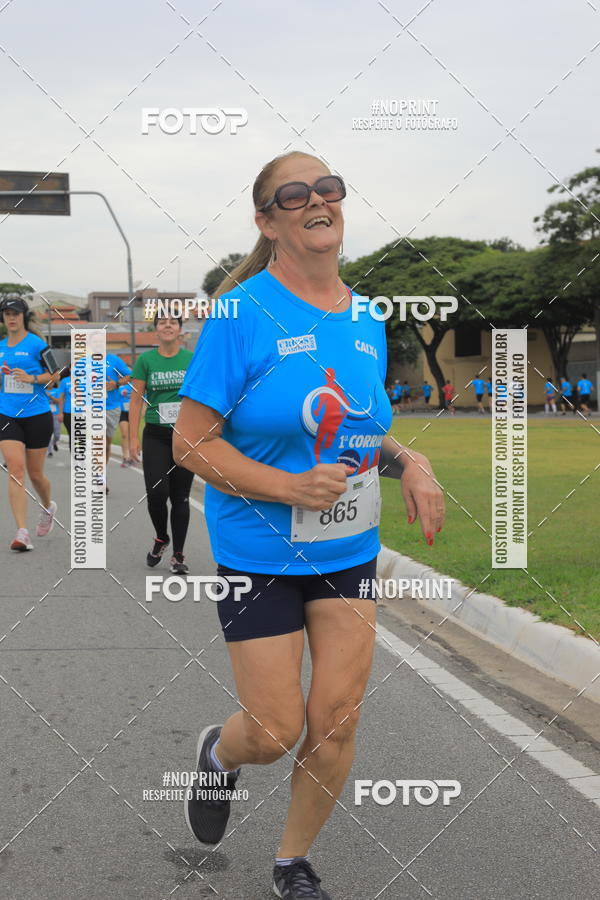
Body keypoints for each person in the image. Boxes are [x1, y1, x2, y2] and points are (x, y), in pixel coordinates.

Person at [174, 151, 445, 900]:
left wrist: (409, 462)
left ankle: (291, 864)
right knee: (273, 729)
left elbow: (363, 428)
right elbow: (190, 443)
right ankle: (219, 757)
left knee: (337, 719)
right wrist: (287, 485)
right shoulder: (240, 315)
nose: (317, 200)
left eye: (328, 188)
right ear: (267, 222)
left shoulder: (366, 317)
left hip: (346, 548)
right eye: (295, 195)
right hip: (259, 551)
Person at [129, 312, 194, 575]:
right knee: (157, 493)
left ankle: (178, 555)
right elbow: (136, 401)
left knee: (181, 496)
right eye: (162, 322)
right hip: (155, 435)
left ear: (180, 329)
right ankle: (161, 537)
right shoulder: (146, 360)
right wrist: (133, 438)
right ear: (156, 330)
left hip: (185, 436)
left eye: (173, 322)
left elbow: (202, 395)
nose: (168, 325)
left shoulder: (191, 359)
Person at [0, 297, 58, 551]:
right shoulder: (1, 347)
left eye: (15, 313)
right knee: (16, 468)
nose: (11, 318)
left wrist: (32, 378)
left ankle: (48, 507)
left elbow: (55, 377)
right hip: (7, 414)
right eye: (7, 314)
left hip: (37, 414)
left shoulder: (37, 344)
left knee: (36, 474)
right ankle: (22, 532)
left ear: (23, 316)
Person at [103, 353, 131, 490]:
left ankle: (102, 474)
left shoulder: (113, 360)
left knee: (106, 445)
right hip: (91, 407)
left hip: (111, 408)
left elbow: (131, 376)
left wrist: (117, 383)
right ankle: (100, 478)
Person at [56, 369, 72, 450]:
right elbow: (61, 398)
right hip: (68, 412)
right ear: (70, 369)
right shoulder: (65, 381)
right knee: (72, 435)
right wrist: (60, 413)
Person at [118, 381, 133, 467]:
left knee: (132, 434)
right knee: (124, 434)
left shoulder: (136, 385)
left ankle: (132, 456)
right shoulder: (120, 386)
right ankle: (125, 457)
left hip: (134, 413)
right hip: (122, 412)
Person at [46, 383, 61, 456]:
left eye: (52, 382)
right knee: (48, 433)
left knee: (57, 434)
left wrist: (50, 396)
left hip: (55, 414)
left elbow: (58, 401)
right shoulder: (43, 391)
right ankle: (50, 451)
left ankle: (54, 442)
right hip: (46, 414)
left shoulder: (57, 391)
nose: (50, 384)